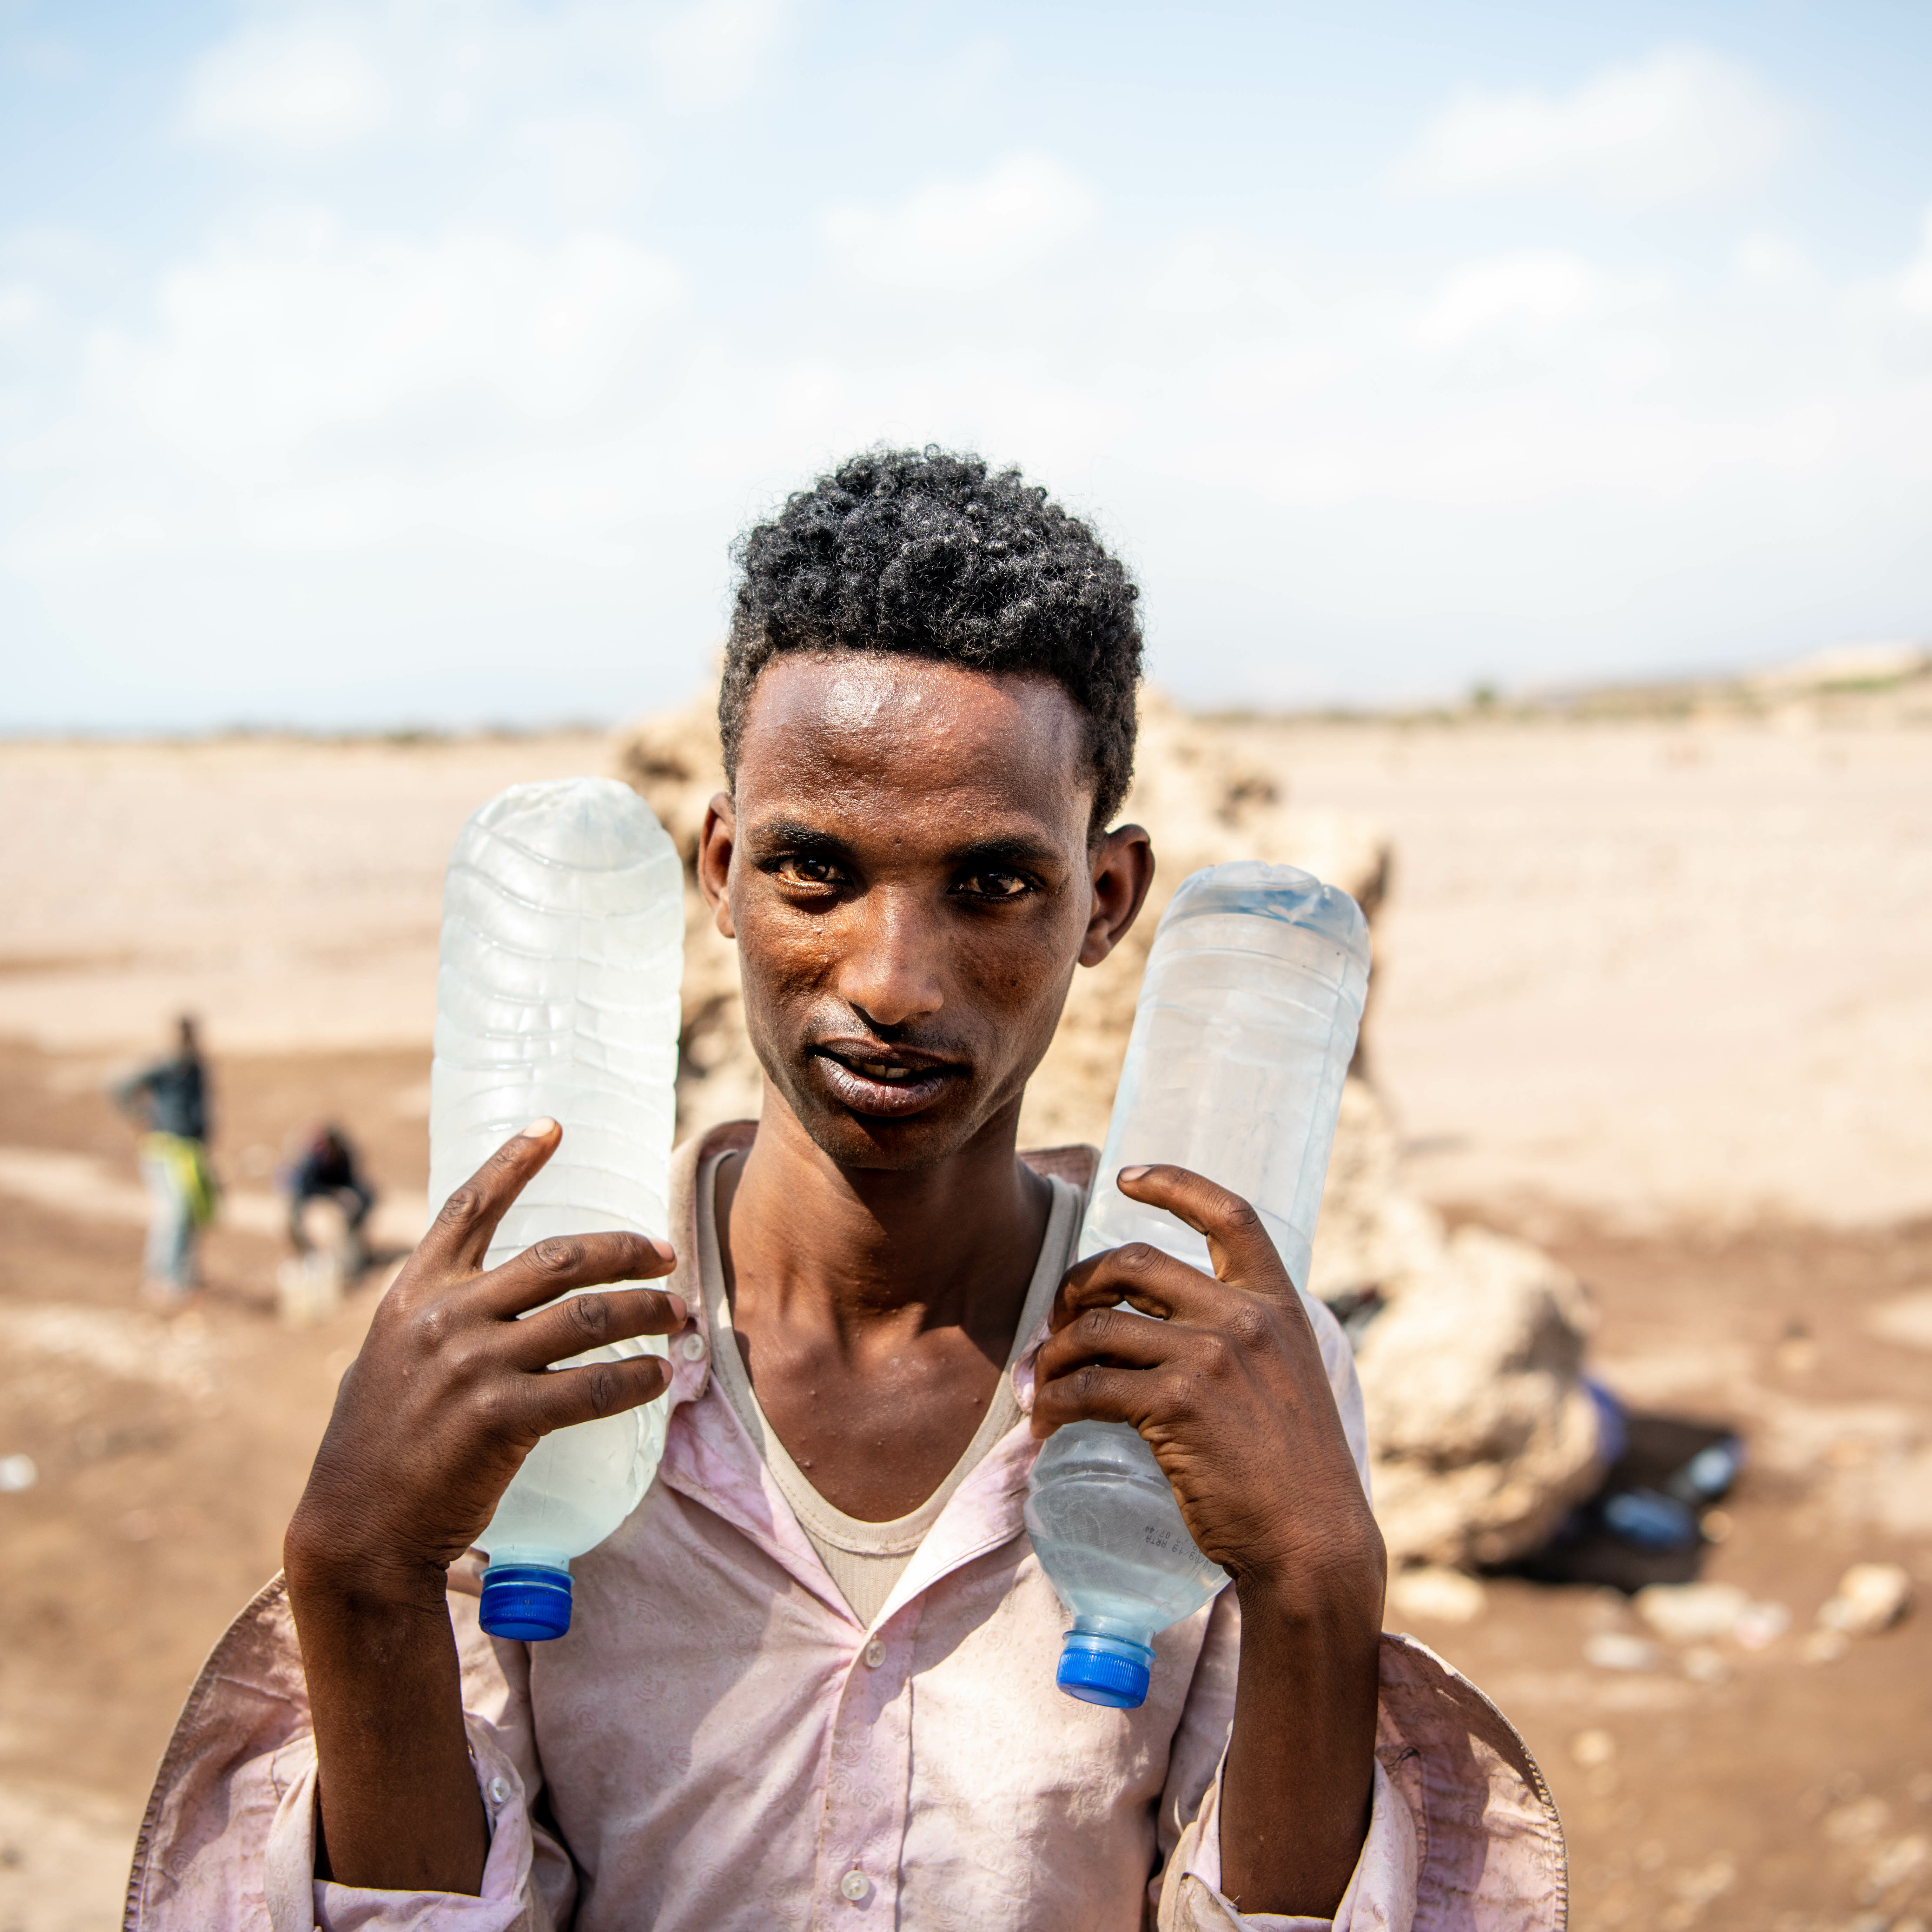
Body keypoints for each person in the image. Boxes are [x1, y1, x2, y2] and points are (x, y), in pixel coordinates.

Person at [129, 451, 1563, 1930]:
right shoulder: (533, 1344)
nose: (891, 981)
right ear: (724, 867)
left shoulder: (1221, 1370)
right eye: (816, 870)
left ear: (1108, 899)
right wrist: (357, 1572)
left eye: (993, 884)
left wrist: (1320, 1582)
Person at [112, 1014, 214, 1310]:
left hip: (191, 1151)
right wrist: (139, 1115)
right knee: (173, 1213)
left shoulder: (197, 1067)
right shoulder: (167, 1064)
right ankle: (161, 1281)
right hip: (165, 1148)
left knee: (192, 1213)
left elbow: (203, 1111)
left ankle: (183, 1278)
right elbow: (119, 1085)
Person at [284, 1125, 378, 1275]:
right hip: (314, 1196)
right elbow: (307, 1188)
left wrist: (349, 1196)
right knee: (295, 1214)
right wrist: (333, 1194)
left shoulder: (343, 1156)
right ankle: (306, 1250)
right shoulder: (314, 1159)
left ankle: (357, 1248)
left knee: (367, 1197)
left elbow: (351, 1180)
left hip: (340, 1195)